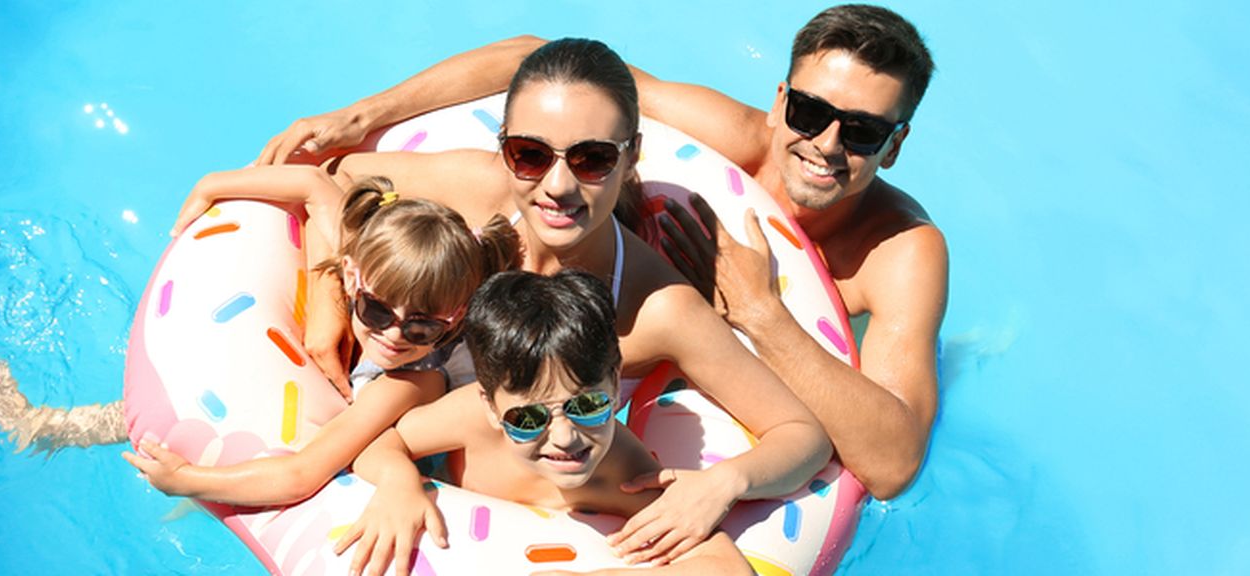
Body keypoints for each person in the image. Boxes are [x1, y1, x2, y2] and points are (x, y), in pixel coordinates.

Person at [175, 38, 830, 568]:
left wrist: (723, 483)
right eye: (529, 154)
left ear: (632, 157)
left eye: (594, 159)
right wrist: (325, 319)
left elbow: (801, 436)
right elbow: (335, 190)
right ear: (505, 150)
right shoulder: (477, 191)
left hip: (511, 473)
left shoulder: (656, 307)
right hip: (383, 416)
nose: (557, 185)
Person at [254, 4, 946, 502]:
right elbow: (540, 61)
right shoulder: (716, 140)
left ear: (897, 142)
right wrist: (366, 116)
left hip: (729, 344)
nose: (825, 144)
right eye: (808, 114)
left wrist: (762, 313)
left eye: (860, 130)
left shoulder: (898, 251)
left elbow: (888, 465)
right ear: (780, 101)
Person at [0, 171, 520, 507]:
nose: (394, 334)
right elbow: (316, 188)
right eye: (375, 310)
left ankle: (46, 428)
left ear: (456, 319)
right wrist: (213, 185)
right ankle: (46, 426)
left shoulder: (413, 380)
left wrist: (188, 481)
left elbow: (303, 473)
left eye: (422, 325)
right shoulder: (366, 259)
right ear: (353, 278)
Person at [346, 269, 755, 576]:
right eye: (527, 418)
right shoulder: (472, 417)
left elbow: (726, 566)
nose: (564, 437)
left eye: (589, 405)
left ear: (614, 386)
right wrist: (399, 483)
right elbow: (378, 444)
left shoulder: (623, 473)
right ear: (491, 406)